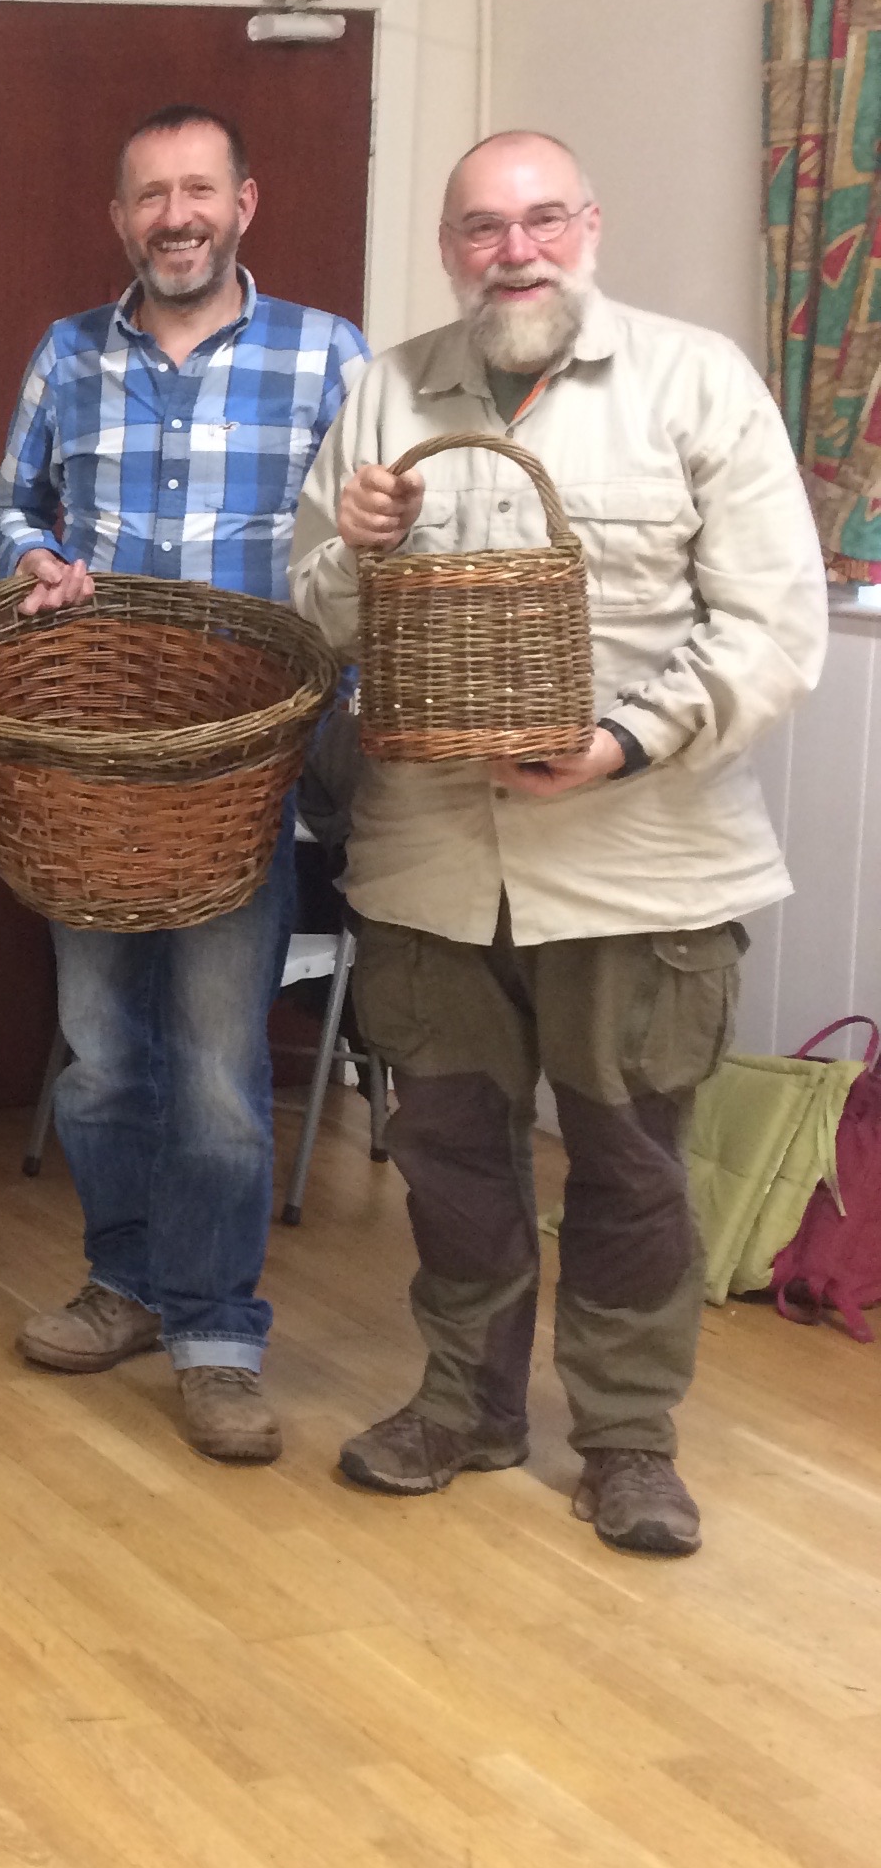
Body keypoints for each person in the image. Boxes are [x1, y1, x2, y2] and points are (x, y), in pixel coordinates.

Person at [291, 130, 826, 1555]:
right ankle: (466, 1400)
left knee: (631, 1166)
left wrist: (624, 741)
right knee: (455, 1156)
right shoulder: (385, 390)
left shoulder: (696, 380)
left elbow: (775, 627)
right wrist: (352, 545)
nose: (510, 251)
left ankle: (630, 1440)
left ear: (589, 226)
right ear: (448, 246)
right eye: (480, 228)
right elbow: (318, 621)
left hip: (642, 861)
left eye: (538, 221)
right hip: (432, 868)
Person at [0, 104, 366, 1464]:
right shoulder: (68, 354)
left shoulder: (330, 355)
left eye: (198, 190)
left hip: (243, 772)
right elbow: (8, 507)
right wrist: (34, 561)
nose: (175, 215)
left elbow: (360, 550)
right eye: (150, 195)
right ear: (121, 217)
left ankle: (217, 1333)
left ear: (245, 203)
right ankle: (125, 1283)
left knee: (212, 1068)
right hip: (97, 764)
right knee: (99, 1061)